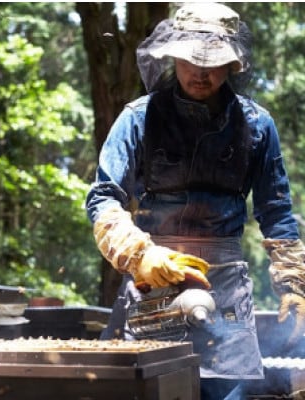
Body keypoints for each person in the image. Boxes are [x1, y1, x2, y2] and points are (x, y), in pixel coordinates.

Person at [86, 3, 305, 399]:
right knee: (139, 389)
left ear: (233, 64)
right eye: (189, 58)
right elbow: (103, 197)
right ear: (173, 55)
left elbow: (277, 214)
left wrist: (294, 284)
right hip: (151, 281)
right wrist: (140, 254)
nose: (199, 71)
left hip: (226, 292)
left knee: (224, 394)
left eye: (213, 61)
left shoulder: (257, 125)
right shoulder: (137, 118)